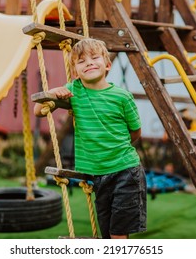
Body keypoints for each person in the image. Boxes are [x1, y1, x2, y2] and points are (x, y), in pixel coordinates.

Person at [34, 38, 146, 239]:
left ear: (107, 65)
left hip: (126, 172)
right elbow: (38, 110)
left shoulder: (122, 97)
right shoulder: (74, 90)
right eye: (81, 61)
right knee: (106, 234)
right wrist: (53, 92)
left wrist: (113, 149)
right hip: (98, 176)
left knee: (118, 234)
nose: (89, 63)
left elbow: (136, 132)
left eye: (95, 58)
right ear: (75, 71)